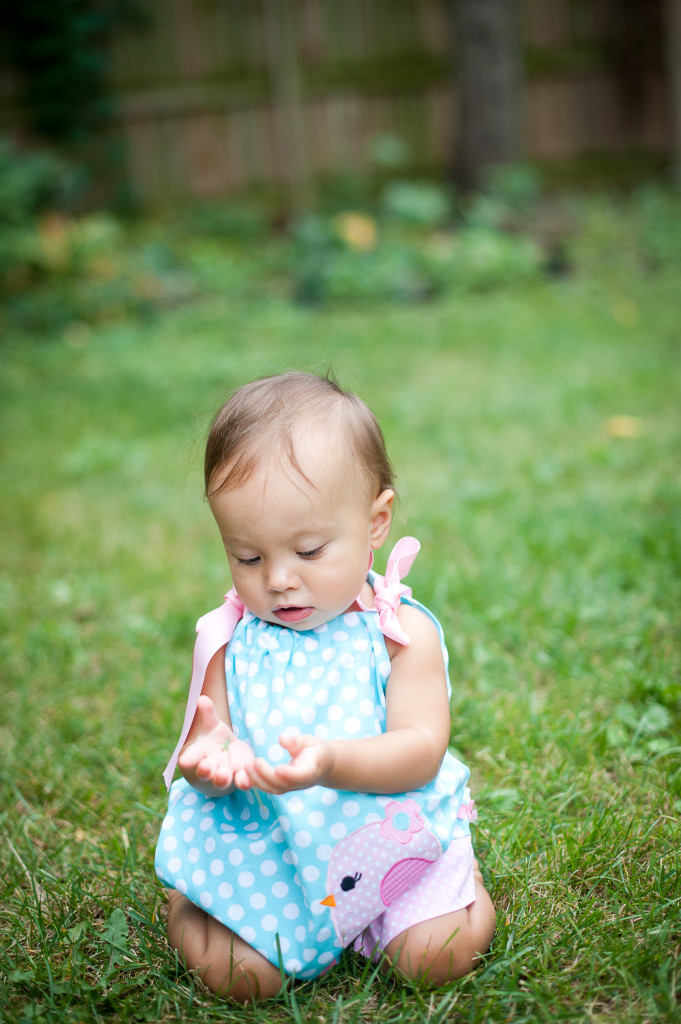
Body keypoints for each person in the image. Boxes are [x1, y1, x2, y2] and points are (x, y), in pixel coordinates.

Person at [155, 371, 496, 1002]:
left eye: (309, 550)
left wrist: (331, 762)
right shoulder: (232, 641)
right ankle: (187, 902)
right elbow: (213, 746)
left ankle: (455, 871)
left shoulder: (400, 634)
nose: (278, 579)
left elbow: (421, 747)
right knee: (243, 980)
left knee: (435, 960)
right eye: (247, 557)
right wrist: (208, 764)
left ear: (375, 522)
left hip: (385, 826)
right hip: (269, 842)